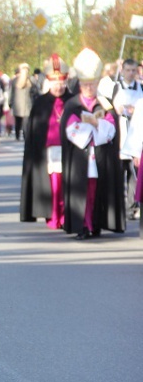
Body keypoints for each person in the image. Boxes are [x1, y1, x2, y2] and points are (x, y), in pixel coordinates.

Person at [60, 48, 126, 240]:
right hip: (80, 157)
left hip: (100, 157)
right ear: (80, 84)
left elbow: (112, 129)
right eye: (86, 84)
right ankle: (83, 225)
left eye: (93, 84)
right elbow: (70, 130)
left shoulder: (105, 104)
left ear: (98, 83)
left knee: (97, 192)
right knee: (83, 192)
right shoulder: (73, 104)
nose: (89, 88)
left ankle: (96, 223)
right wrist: (87, 129)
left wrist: (99, 124)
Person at [20, 54, 73, 229]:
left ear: (66, 82)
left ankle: (67, 215)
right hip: (48, 153)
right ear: (49, 83)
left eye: (61, 83)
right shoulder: (40, 104)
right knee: (53, 184)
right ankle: (53, 215)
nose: (59, 86)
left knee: (68, 183)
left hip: (70, 151)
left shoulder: (73, 102)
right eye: (55, 83)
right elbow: (33, 133)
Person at [111, 58, 143, 219]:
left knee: (134, 174)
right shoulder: (117, 87)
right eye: (128, 70)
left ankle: (131, 206)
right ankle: (117, 206)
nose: (130, 73)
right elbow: (112, 108)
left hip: (135, 132)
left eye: (133, 70)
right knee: (118, 172)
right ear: (122, 71)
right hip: (121, 132)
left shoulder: (140, 87)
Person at [9, 63, 34, 140]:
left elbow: (11, 92)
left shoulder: (30, 80)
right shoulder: (16, 81)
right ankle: (22, 136)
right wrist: (10, 102)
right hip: (21, 104)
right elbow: (12, 92)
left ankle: (21, 136)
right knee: (21, 122)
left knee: (22, 122)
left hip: (24, 104)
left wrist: (10, 103)